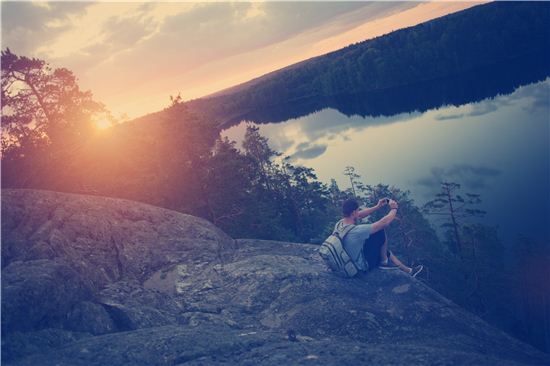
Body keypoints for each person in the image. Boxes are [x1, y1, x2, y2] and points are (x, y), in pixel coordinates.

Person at [337, 197, 423, 277]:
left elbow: (359, 215)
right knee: (380, 231)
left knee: (384, 251)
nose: (359, 212)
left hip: (349, 259)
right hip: (359, 267)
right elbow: (383, 223)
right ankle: (384, 263)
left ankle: (409, 271)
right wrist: (394, 209)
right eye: (357, 210)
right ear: (353, 213)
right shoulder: (356, 231)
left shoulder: (340, 224)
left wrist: (377, 206)